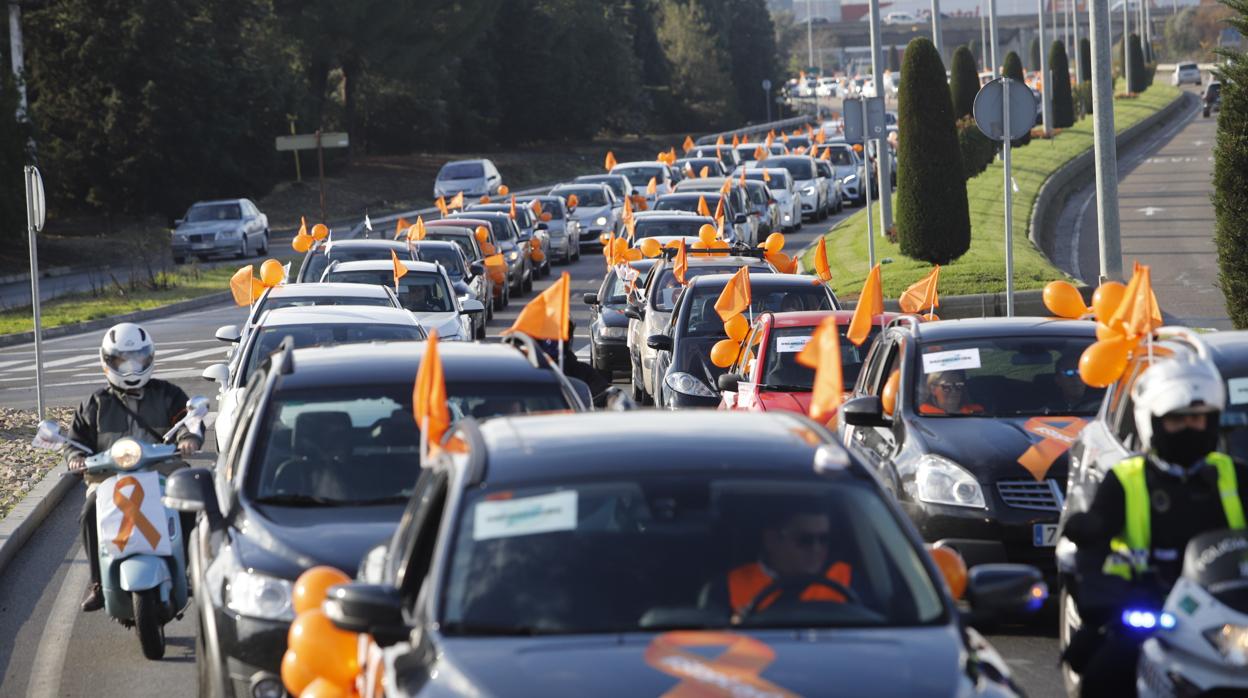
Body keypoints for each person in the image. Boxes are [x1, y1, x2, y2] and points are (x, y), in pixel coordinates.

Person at [1064, 356, 1248, 695]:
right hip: (1152, 612)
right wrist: (1100, 591)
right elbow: (1093, 545)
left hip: (1227, 616)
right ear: (1153, 422)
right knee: (1102, 676)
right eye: (1178, 420)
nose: (1191, 428)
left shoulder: (1234, 475)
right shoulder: (1125, 480)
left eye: (1199, 419)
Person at [67, 323, 202, 612]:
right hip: (108, 475)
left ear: (149, 357)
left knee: (188, 501)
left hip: (162, 470)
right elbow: (75, 439)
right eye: (121, 360)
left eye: (138, 358)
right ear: (108, 361)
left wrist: (189, 438)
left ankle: (188, 569)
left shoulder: (169, 393)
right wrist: (75, 456)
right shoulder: (95, 402)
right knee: (89, 511)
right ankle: (98, 583)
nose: (131, 366)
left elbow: (188, 420)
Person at [701, 508, 853, 617]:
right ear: (771, 540)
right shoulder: (729, 585)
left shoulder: (845, 576)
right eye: (805, 540)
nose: (816, 549)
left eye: (823, 539)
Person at [919, 370, 984, 415]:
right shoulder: (922, 415)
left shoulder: (977, 411)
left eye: (958, 385)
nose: (954, 391)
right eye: (947, 386)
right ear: (933, 389)